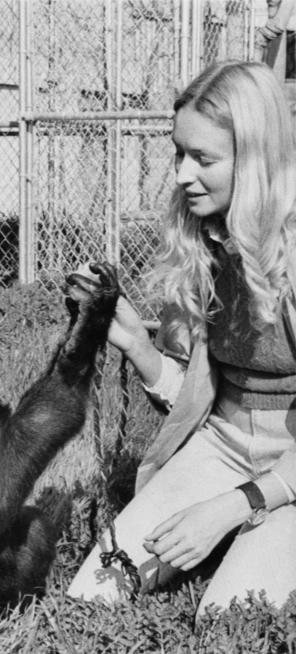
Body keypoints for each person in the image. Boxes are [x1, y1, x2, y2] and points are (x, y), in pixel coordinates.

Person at [66, 60, 296, 617]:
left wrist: (233, 506)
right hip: (223, 444)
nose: (181, 174)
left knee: (225, 620)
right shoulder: (206, 245)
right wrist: (135, 344)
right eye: (179, 152)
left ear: (256, 159)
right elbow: (196, 400)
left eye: (203, 159)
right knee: (97, 590)